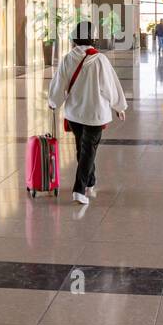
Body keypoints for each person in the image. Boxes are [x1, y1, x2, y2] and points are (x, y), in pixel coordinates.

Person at [48, 21, 128, 205]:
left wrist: (54, 102)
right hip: (95, 114)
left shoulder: (68, 58)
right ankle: (79, 189)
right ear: (93, 37)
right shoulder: (99, 59)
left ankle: (90, 181)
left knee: (82, 149)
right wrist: (119, 107)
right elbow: (110, 86)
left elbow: (59, 84)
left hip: (75, 113)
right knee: (88, 150)